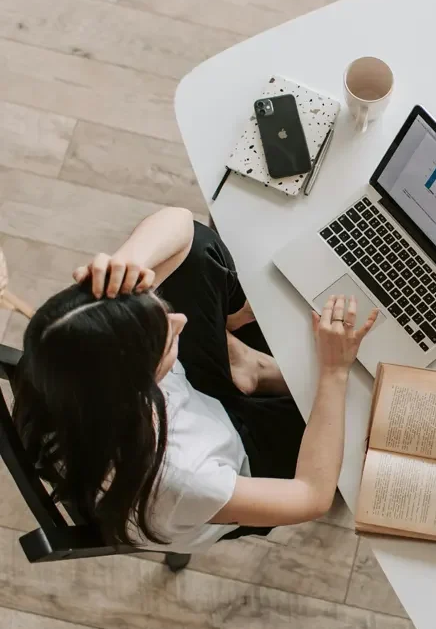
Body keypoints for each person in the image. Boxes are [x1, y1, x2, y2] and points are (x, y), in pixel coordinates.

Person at [13, 208, 378, 553]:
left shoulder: (62, 355)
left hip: (189, 411)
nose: (180, 322)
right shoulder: (186, 479)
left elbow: (182, 226)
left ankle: (246, 367)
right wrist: (334, 370)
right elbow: (311, 496)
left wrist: (129, 261)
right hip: (238, 461)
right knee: (362, 416)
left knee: (200, 250)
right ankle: (250, 369)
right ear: (140, 385)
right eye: (166, 336)